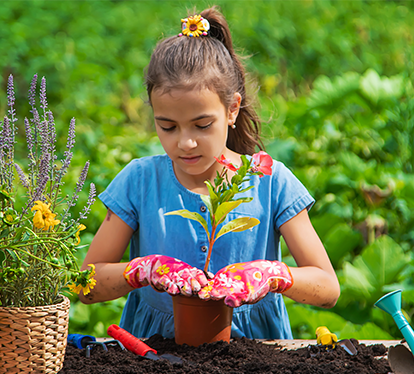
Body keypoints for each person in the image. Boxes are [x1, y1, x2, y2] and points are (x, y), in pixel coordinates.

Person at [79, 6, 340, 340]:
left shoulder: (270, 182)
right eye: (167, 126)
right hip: (154, 357)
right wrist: (143, 270)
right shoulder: (140, 181)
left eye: (202, 125)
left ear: (232, 109)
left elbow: (328, 288)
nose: (185, 142)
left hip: (256, 356)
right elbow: (86, 286)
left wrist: (273, 275)